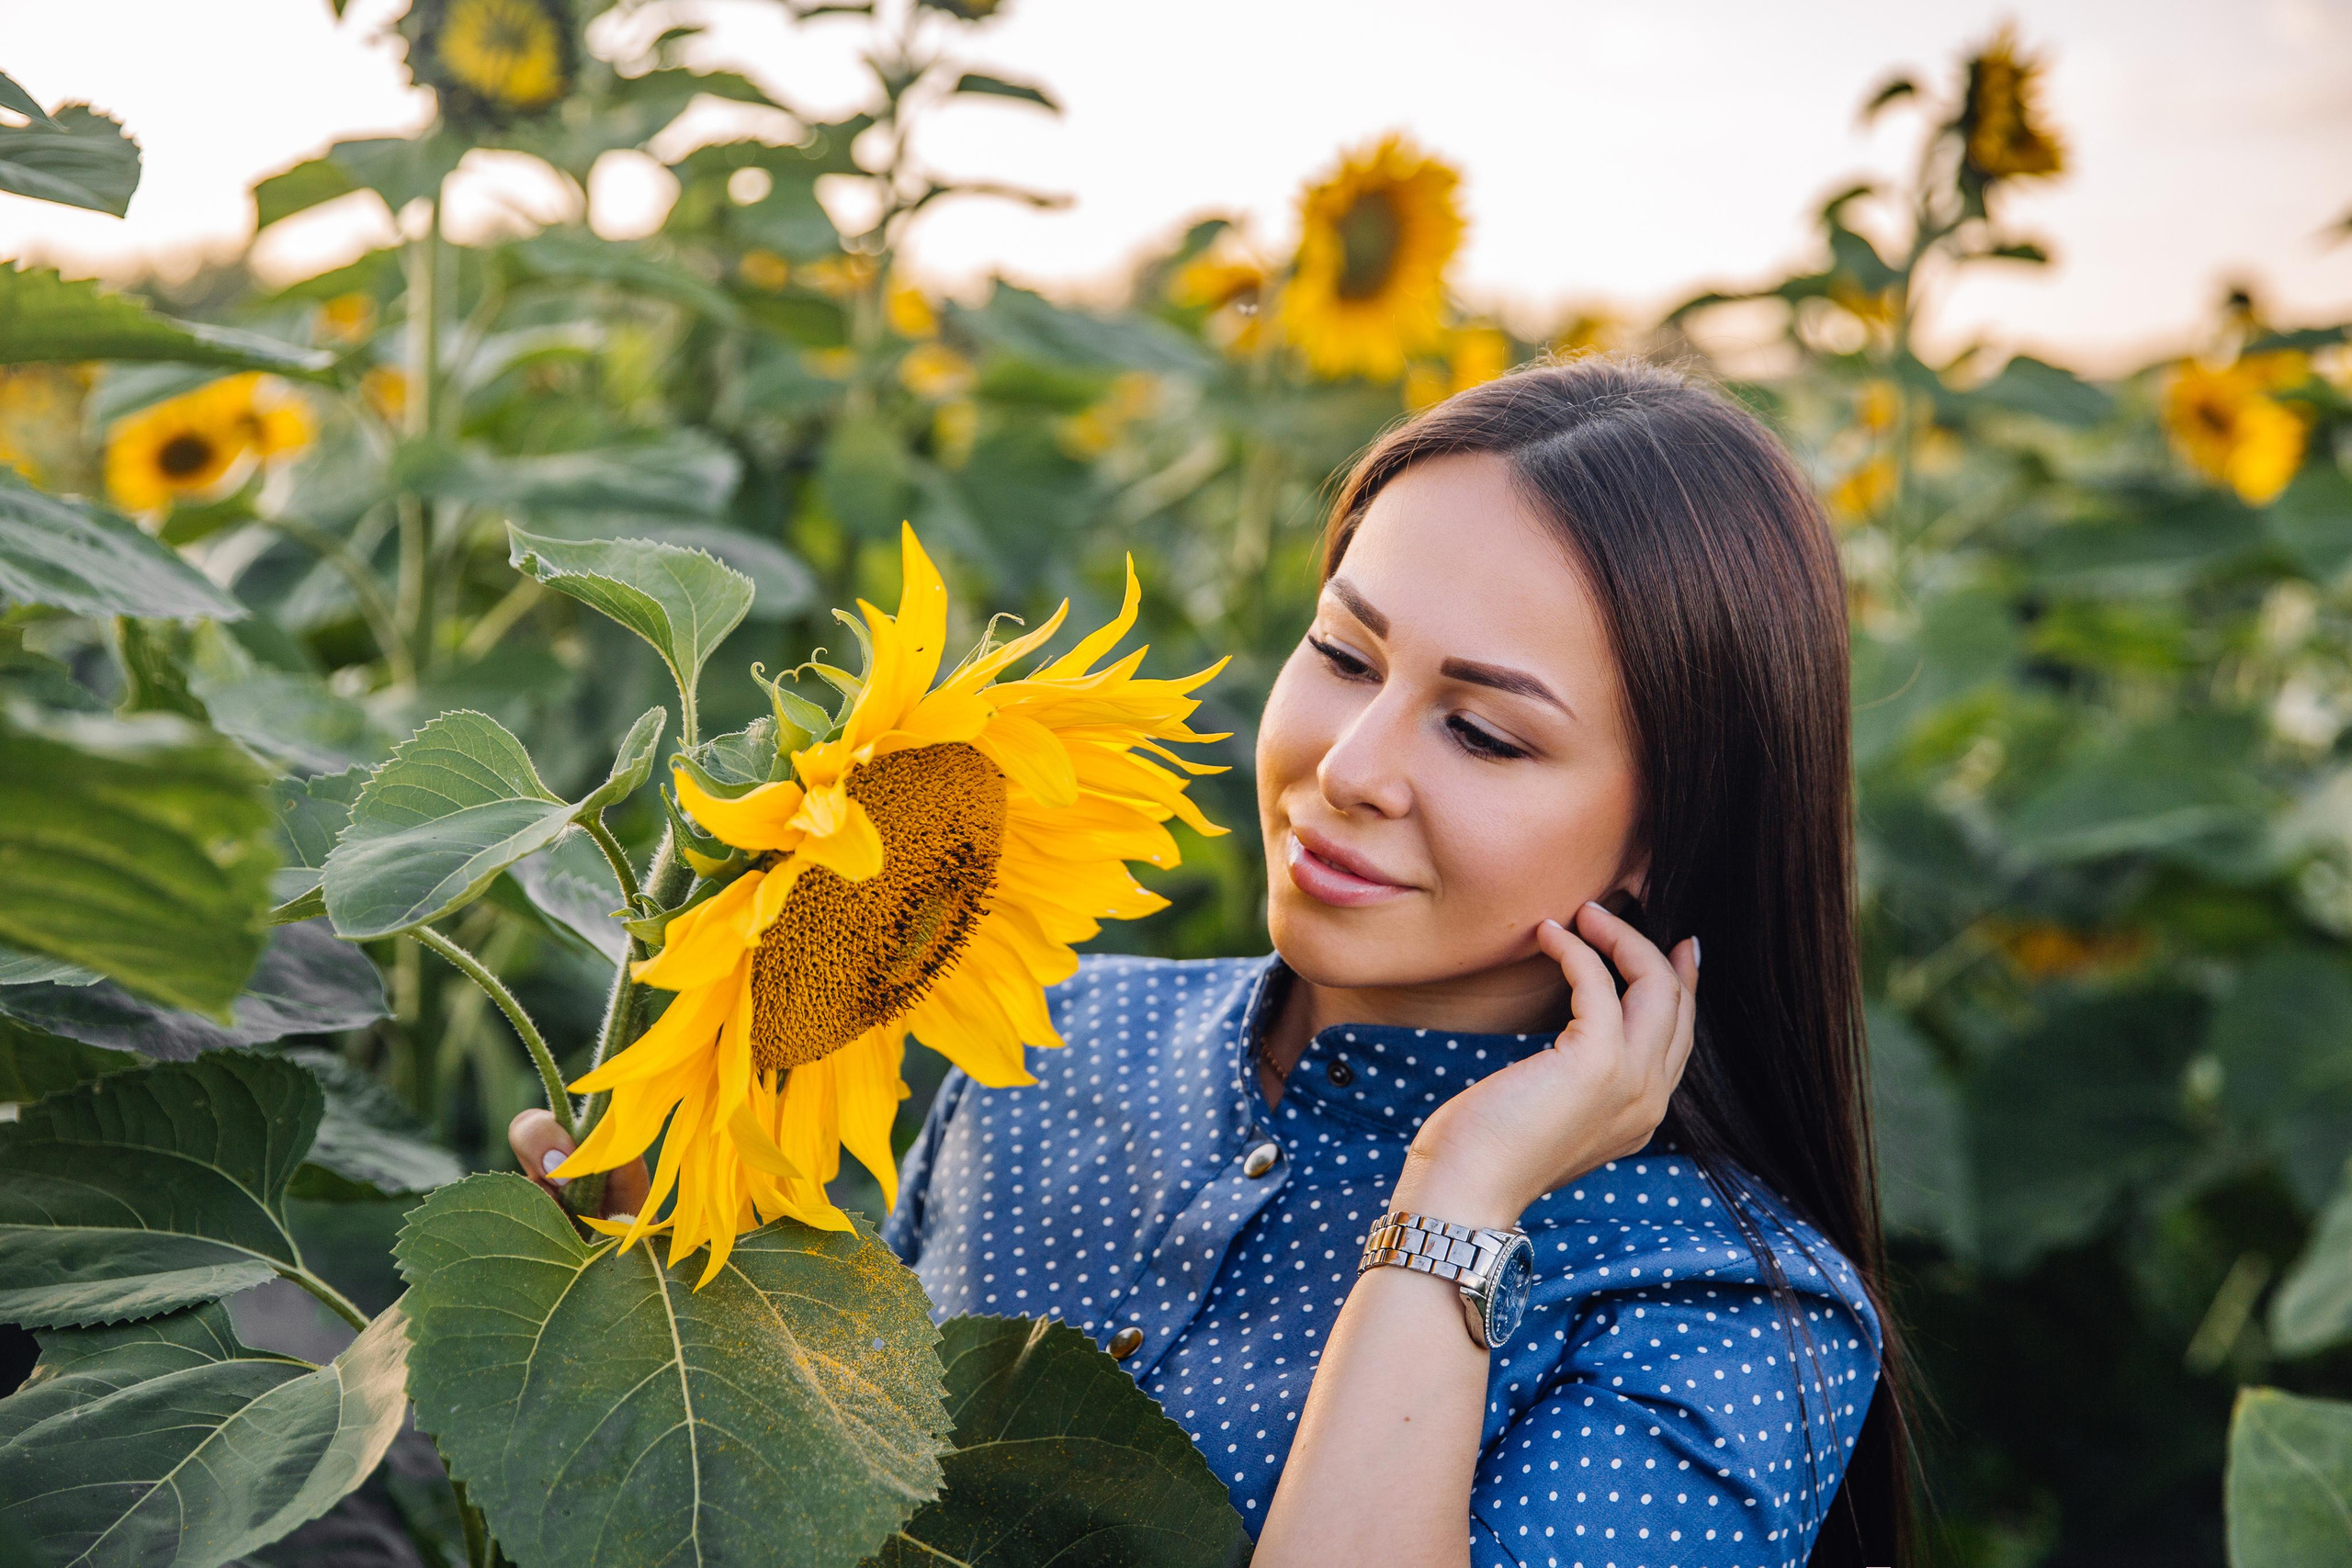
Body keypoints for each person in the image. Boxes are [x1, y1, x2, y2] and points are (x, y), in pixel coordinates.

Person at [514, 355, 1906, 1567]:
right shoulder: (1051, 1040)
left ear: (1663, 834)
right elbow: (832, 1495)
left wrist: (1459, 1199)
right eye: (1344, 656)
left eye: (1481, 732)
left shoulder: (1710, 1306)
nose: (1350, 769)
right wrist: (687, 1291)